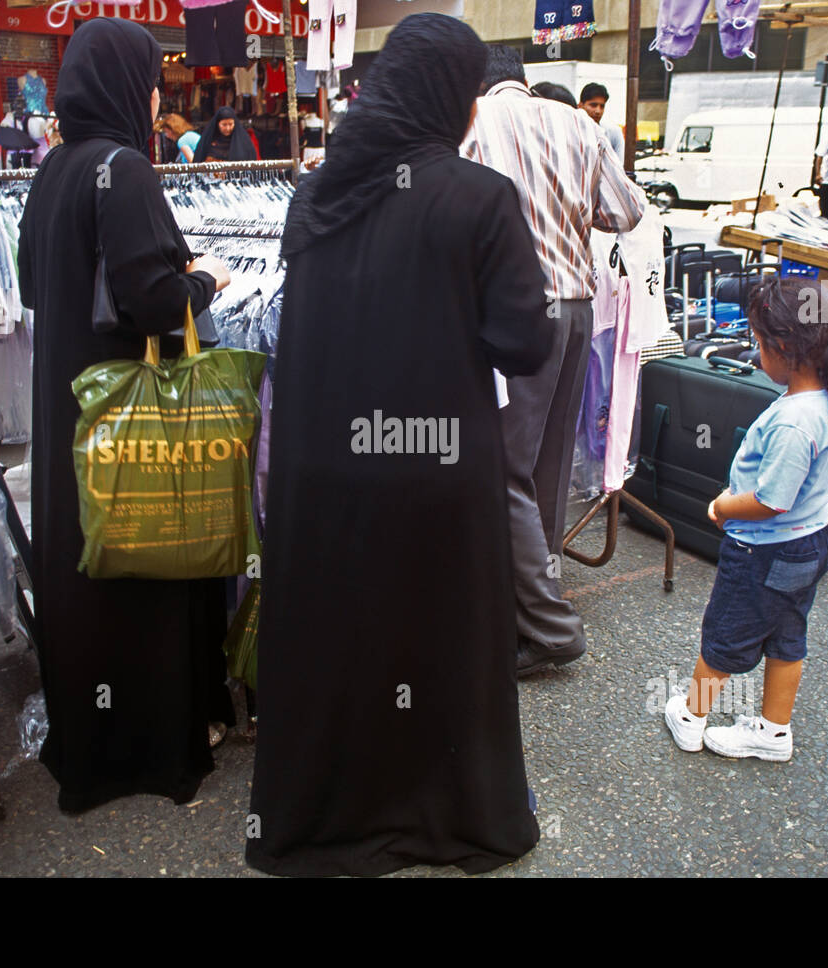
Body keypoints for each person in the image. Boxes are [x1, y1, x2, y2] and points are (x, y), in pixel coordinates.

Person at [246, 13, 553, 877]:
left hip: (325, 471)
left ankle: (327, 818)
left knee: (342, 638)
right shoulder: (480, 199)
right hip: (436, 469)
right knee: (439, 638)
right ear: (454, 98)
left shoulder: (316, 193)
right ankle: (450, 813)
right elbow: (524, 344)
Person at [16, 18, 234, 813]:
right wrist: (206, 278)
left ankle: (92, 740)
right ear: (121, 86)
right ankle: (150, 743)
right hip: (131, 418)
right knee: (145, 565)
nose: (153, 98)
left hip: (70, 411)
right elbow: (154, 301)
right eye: (149, 82)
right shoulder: (126, 169)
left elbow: (36, 286)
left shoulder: (53, 172)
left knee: (85, 565)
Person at [462, 45, 645, 677]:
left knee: (500, 470)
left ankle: (547, 626)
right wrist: (565, 208)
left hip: (517, 312)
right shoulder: (579, 124)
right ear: (524, 80)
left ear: (478, 82)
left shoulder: (473, 121)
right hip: (575, 309)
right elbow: (626, 211)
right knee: (546, 465)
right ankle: (537, 597)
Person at [664, 277, 828, 763]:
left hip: (766, 546)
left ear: (782, 347)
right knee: (787, 636)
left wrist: (723, 506)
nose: (756, 354)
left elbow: (772, 499)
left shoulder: (795, 421)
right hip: (813, 538)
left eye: (758, 343)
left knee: (724, 636)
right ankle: (774, 732)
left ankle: (691, 719)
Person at [192, 105, 258, 161]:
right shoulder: (208, 140)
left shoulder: (243, 141)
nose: (227, 128)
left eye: (230, 124)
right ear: (217, 124)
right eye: (224, 125)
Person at [579, 81, 625, 156]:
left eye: (602, 106)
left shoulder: (613, 133)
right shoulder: (572, 132)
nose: (598, 111)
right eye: (593, 105)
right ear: (580, 106)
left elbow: (619, 165)